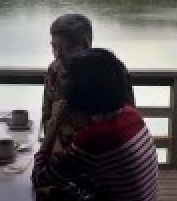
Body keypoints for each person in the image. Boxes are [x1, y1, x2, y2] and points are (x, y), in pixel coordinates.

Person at [32, 48, 159, 201]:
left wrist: (53, 125)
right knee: (58, 200)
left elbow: (40, 176)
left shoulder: (95, 140)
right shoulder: (131, 116)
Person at [40, 14, 135, 150]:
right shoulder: (54, 70)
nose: (59, 55)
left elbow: (127, 116)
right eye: (55, 47)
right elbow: (47, 114)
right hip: (62, 152)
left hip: (103, 152)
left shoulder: (109, 70)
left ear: (85, 46)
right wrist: (56, 148)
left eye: (68, 48)